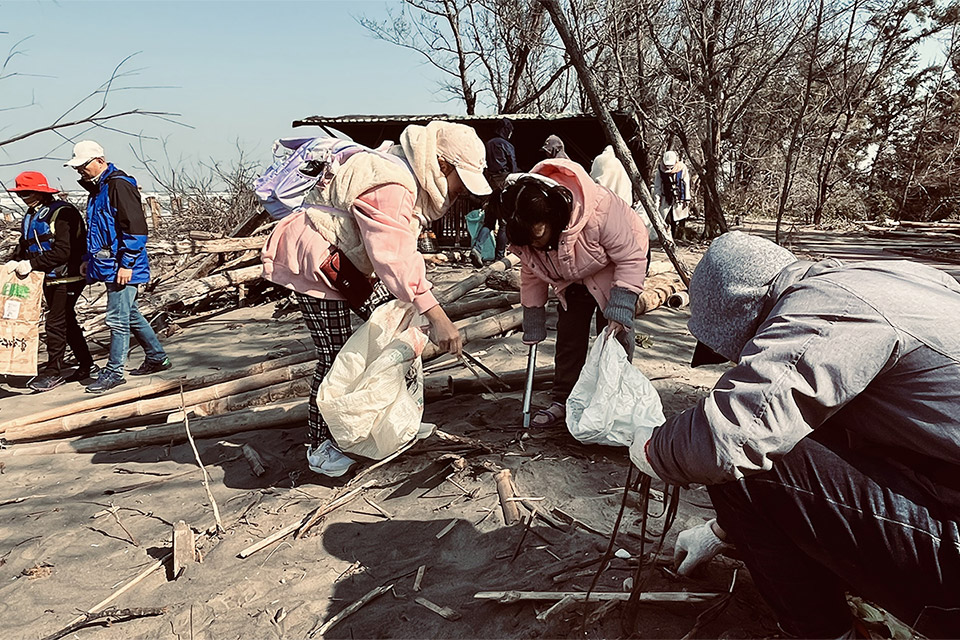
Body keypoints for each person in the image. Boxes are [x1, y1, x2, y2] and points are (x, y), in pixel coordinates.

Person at [632, 232, 960, 638]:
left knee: (748, 461)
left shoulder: (826, 309)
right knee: (797, 430)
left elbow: (729, 439)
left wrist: (652, 448)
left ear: (748, 315)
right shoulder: (891, 278)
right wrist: (722, 532)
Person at [261, 121, 492, 477]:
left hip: (344, 263)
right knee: (336, 354)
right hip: (318, 265)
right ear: (443, 166)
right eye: (461, 183)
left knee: (392, 325)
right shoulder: (392, 182)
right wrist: (437, 316)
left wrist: (421, 310)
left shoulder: (397, 167)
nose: (460, 193)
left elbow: (395, 253)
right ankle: (321, 444)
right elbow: (394, 258)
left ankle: (378, 418)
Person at [490, 158, 648, 428]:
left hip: (617, 264)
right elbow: (531, 272)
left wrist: (621, 305)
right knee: (569, 334)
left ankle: (613, 399)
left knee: (614, 336)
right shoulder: (527, 234)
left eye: (539, 237)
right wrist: (533, 315)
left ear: (555, 216)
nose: (536, 245)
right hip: (570, 273)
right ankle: (564, 399)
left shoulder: (600, 208)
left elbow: (630, 256)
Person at [66, 140, 172, 394]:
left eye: (83, 166)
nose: (79, 171)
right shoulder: (99, 189)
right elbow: (99, 232)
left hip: (124, 265)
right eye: (77, 167)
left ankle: (114, 372)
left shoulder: (118, 185)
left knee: (117, 318)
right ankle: (157, 357)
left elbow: (135, 228)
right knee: (129, 313)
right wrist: (87, 261)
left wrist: (127, 264)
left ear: (100, 161)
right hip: (108, 264)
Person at [5, 171, 96, 391]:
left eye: (26, 193)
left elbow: (64, 251)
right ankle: (86, 363)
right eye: (20, 194)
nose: (23, 197)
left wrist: (32, 264)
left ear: (41, 192)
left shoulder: (64, 213)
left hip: (69, 276)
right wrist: (14, 261)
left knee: (55, 323)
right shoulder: (31, 214)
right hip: (48, 277)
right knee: (67, 321)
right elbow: (25, 244)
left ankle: (53, 371)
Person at [472, 118, 518, 266]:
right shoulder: (507, 145)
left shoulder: (488, 144)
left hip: (490, 182)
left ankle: (477, 248)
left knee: (490, 220)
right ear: (507, 131)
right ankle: (499, 258)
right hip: (504, 180)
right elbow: (513, 164)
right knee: (503, 222)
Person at [652, 150, 690, 240]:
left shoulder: (682, 167)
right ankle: (667, 239)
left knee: (677, 219)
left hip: (679, 199)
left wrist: (687, 198)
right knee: (666, 220)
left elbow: (686, 182)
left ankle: (677, 238)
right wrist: (657, 201)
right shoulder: (660, 169)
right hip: (666, 198)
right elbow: (657, 187)